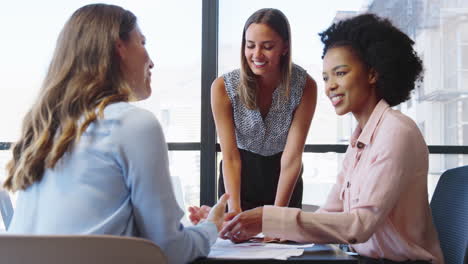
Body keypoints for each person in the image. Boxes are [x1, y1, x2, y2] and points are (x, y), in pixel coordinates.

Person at [3, 4, 228, 264]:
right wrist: (212, 227)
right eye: (142, 43)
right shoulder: (133, 124)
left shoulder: (42, 129)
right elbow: (171, 250)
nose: (151, 60)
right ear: (118, 48)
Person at [219, 14, 444, 264]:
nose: (329, 87)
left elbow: (358, 226)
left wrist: (267, 219)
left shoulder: (396, 131)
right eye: (326, 77)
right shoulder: (361, 139)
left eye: (340, 73)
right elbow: (330, 214)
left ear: (372, 73)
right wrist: (258, 226)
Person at [208, 8, 317, 220]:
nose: (257, 55)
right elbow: (230, 156)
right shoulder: (223, 87)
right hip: (238, 180)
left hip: (284, 182)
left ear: (285, 47)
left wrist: (277, 218)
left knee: (281, 247)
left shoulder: (305, 86)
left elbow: (293, 156)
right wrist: (235, 209)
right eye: (250, 46)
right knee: (235, 247)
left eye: (267, 47)